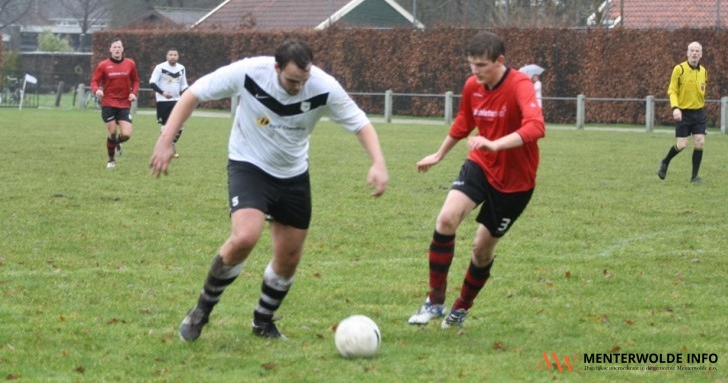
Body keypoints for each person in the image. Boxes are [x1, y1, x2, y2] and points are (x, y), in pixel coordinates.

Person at [149, 38, 389, 341]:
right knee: (245, 237)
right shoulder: (249, 72)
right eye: (292, 80)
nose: (299, 87)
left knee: (289, 258)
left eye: (303, 80)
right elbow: (193, 94)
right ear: (276, 68)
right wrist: (166, 140)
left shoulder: (324, 86)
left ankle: (262, 322)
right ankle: (201, 311)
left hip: (293, 174)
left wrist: (378, 162)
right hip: (248, 165)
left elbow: (360, 124)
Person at [408, 31, 545, 329]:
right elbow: (464, 122)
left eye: (481, 65)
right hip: (480, 165)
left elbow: (536, 127)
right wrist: (439, 154)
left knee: (481, 251)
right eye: (471, 64)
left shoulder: (520, 84)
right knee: (446, 219)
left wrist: (496, 144)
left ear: (500, 61)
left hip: (516, 183)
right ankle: (435, 301)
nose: (475, 71)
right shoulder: (473, 85)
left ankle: (461, 307)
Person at [657, 41, 708, 183]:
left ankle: (694, 177)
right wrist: (675, 108)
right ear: (687, 53)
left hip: (699, 113)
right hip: (683, 113)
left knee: (700, 141)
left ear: (701, 54)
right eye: (692, 50)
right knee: (682, 145)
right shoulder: (679, 69)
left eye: (697, 51)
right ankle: (665, 161)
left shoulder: (704, 72)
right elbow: (672, 90)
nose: (694, 53)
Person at [90, 38, 139, 169]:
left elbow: (135, 81)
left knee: (126, 135)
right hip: (108, 103)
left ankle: (117, 142)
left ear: (122, 49)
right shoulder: (103, 65)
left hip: (124, 104)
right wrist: (96, 90)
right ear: (110, 50)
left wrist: (133, 93)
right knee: (112, 132)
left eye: (119, 47)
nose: (117, 49)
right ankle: (111, 160)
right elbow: (94, 81)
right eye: (114, 47)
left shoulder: (130, 64)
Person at [149, 48, 189, 158]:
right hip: (163, 101)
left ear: (178, 56)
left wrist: (188, 94)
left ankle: (171, 144)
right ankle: (164, 149)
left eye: (175, 55)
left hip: (177, 100)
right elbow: (152, 83)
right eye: (170, 55)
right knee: (166, 126)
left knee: (180, 125)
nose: (173, 57)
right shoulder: (160, 67)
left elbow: (184, 85)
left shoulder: (181, 68)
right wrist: (163, 92)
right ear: (167, 56)